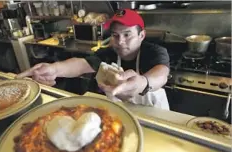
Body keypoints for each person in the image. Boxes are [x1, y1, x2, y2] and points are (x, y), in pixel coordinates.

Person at [17, 9, 170, 110]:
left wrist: (143, 83)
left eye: (127, 34)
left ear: (141, 35)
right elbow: (82, 64)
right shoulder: (109, 53)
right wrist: (54, 69)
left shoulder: (155, 52)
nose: (120, 41)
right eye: (115, 35)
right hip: (124, 114)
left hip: (156, 115)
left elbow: (161, 74)